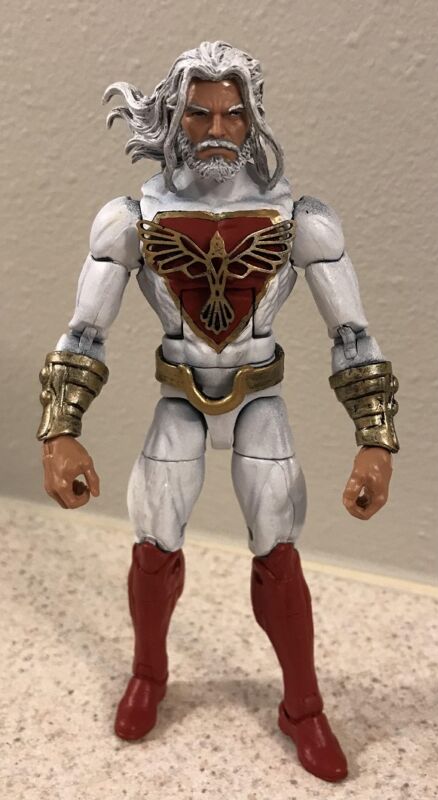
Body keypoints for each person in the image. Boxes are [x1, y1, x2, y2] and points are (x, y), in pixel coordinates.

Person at [37, 41, 399, 783]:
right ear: (174, 117)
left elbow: (352, 334)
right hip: (180, 399)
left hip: (260, 398)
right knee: (153, 543)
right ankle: (149, 672)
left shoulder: (300, 219)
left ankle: (302, 706)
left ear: (253, 118)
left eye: (233, 115)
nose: (216, 129)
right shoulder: (131, 218)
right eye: (199, 114)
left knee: (279, 550)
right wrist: (61, 431)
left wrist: (375, 439)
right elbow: (85, 331)